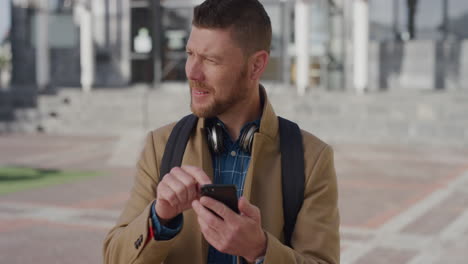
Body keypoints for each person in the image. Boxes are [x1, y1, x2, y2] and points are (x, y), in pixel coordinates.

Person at [103, 0, 340, 263]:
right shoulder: (161, 145)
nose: (191, 72)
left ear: (256, 66)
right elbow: (114, 257)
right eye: (190, 54)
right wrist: (159, 217)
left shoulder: (312, 159)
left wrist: (260, 250)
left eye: (210, 59)